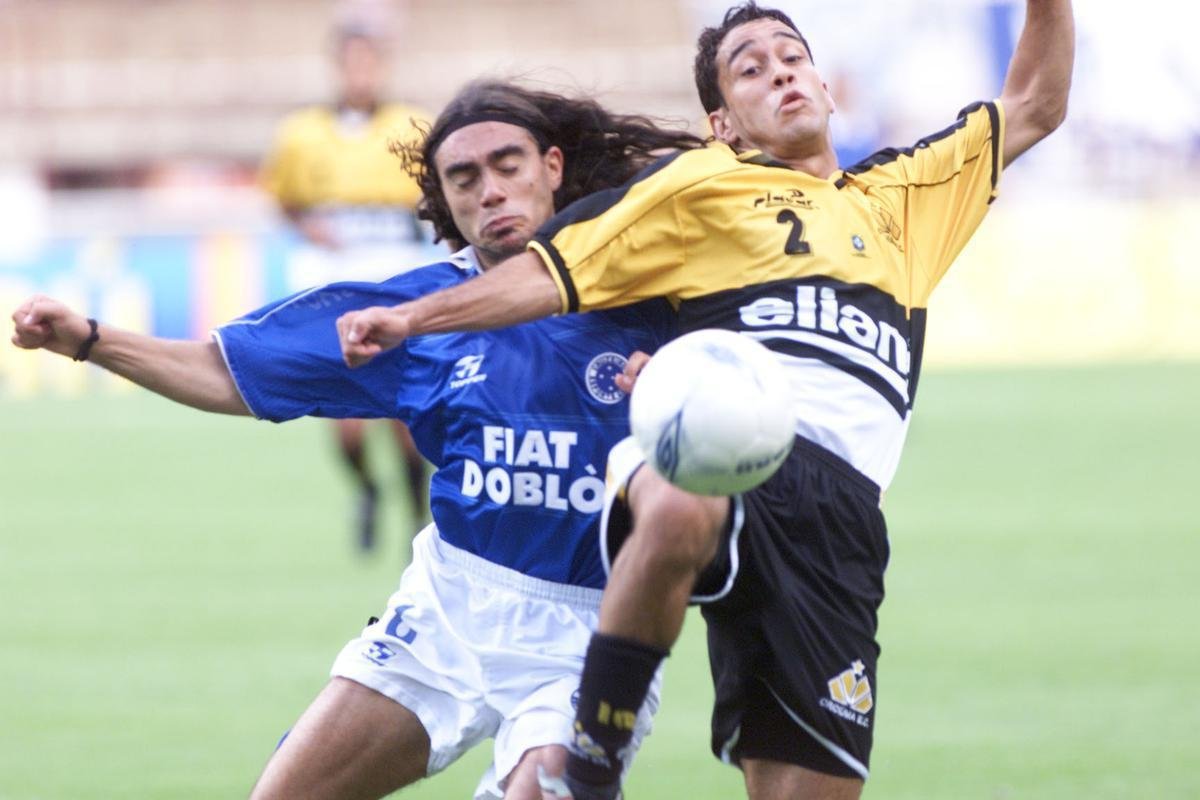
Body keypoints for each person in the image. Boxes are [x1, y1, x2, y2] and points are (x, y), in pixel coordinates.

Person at [334, 3, 1076, 799]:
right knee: (686, 495)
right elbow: (546, 272)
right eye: (750, 68)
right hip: (721, 449)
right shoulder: (696, 187)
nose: (780, 71)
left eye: (791, 56)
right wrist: (413, 318)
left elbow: (1037, 101)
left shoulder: (907, 195)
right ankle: (588, 765)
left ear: (824, 83)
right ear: (721, 122)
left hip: (839, 519)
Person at [11, 80, 704, 800]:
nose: (490, 190)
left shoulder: (653, 298)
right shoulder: (410, 313)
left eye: (508, 165)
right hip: (450, 610)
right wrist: (89, 340)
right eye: (464, 178)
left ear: (552, 168)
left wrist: (685, 385)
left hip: (589, 632)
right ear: (443, 201)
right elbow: (227, 374)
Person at [261, 24, 433, 553]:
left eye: (369, 63)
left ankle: (415, 515)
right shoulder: (302, 132)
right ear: (337, 67)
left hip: (396, 287)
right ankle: (366, 490)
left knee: (403, 418)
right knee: (348, 427)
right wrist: (309, 227)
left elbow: (438, 196)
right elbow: (284, 199)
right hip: (336, 290)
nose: (361, 74)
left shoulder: (414, 126)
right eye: (351, 63)